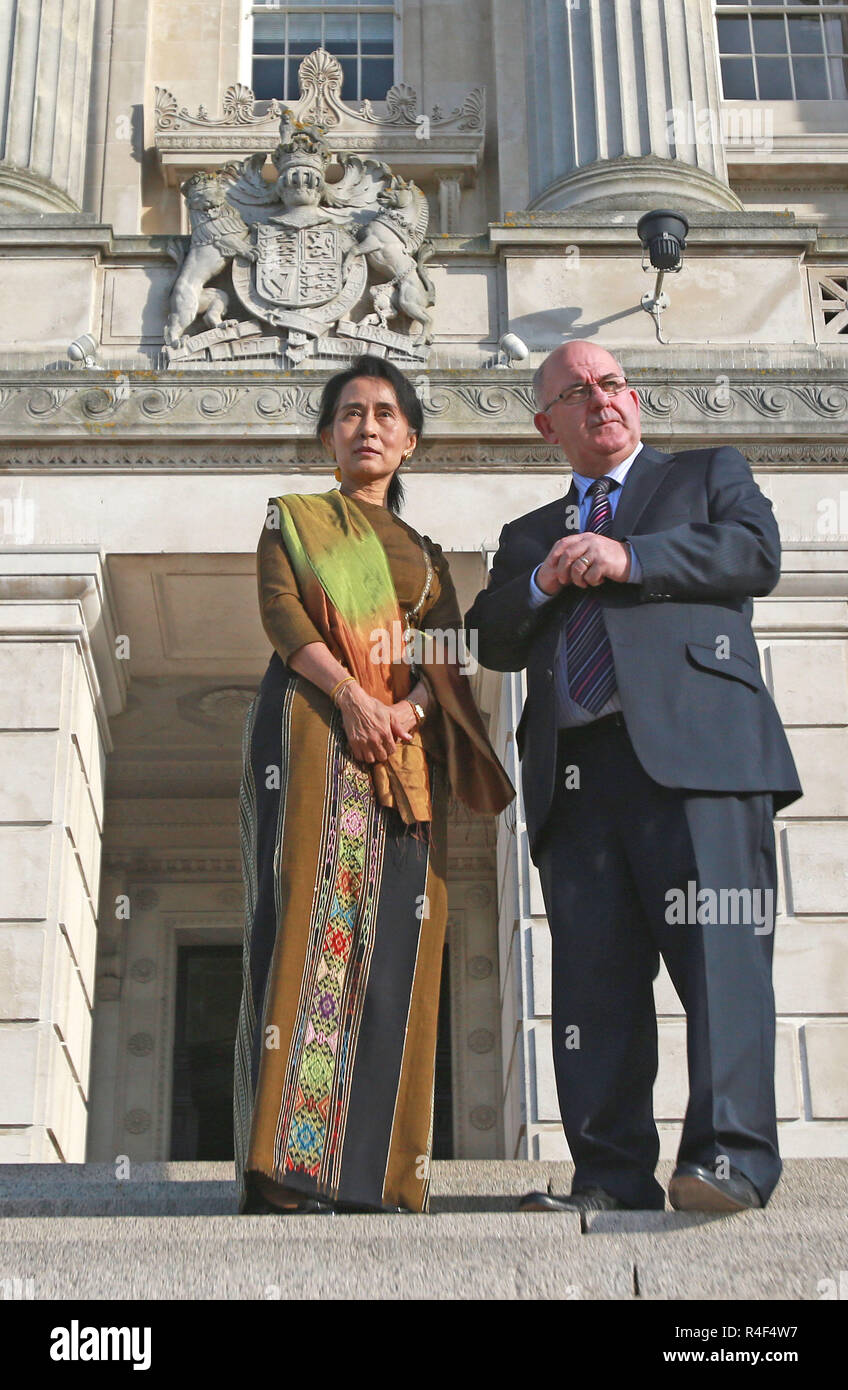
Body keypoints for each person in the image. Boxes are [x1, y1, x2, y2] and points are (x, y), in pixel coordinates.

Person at [466, 340, 802, 1214]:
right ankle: (610, 1178)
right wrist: (542, 581)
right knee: (594, 986)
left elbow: (753, 554)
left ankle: (729, 1160)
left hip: (701, 760)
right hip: (576, 781)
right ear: (548, 424)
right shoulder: (527, 536)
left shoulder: (705, 476)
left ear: (635, 398)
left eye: (612, 384)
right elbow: (492, 637)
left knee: (721, 960)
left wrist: (632, 560)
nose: (601, 400)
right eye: (577, 392)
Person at [234, 354, 513, 1216]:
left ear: (410, 440)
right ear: (327, 436)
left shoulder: (428, 559)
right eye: (350, 413)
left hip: (408, 753)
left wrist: (408, 713)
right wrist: (355, 696)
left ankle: (378, 1177)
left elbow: (446, 652)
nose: (368, 426)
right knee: (315, 928)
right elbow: (285, 618)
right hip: (316, 727)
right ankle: (291, 1166)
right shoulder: (298, 520)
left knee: (398, 938)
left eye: (386, 414)